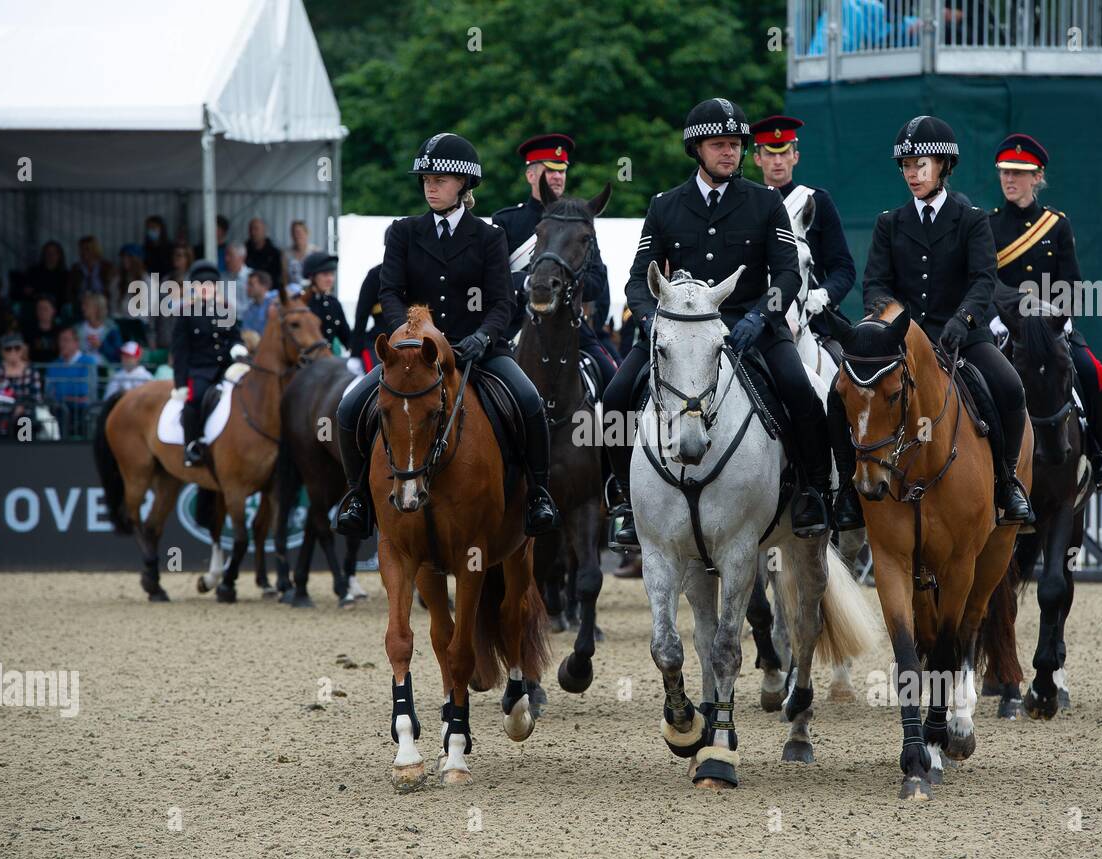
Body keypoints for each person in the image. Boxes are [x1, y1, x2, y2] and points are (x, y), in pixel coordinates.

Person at [604, 96, 831, 551]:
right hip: (678, 330)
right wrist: (652, 322)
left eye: (735, 144)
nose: (729, 152)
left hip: (753, 326)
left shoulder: (765, 203)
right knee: (614, 396)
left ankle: (812, 492)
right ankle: (626, 503)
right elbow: (635, 280)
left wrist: (759, 316)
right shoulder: (665, 205)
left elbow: (787, 273)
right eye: (718, 144)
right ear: (697, 150)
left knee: (800, 390)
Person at [333, 132, 560, 538]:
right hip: (412, 354)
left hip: (476, 351)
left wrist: (484, 337)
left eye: (439, 179)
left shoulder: (490, 237)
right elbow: (390, 292)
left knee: (530, 403)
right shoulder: (402, 233)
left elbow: (501, 302)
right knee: (350, 408)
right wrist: (408, 334)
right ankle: (357, 499)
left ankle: (538, 494)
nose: (431, 186)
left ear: (463, 185)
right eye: (426, 180)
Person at [834, 115, 1034, 529]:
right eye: (907, 166)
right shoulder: (890, 222)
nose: (913, 173)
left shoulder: (971, 219)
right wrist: (893, 324)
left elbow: (983, 279)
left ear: (944, 167)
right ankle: (846, 495)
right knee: (840, 396)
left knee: (1010, 388)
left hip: (962, 334)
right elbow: (876, 285)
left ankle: (1007, 481)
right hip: (903, 339)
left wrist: (963, 319)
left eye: (921, 165)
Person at [988, 132, 1102, 490]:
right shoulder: (988, 225)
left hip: (1051, 325)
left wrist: (1053, 312)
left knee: (1093, 372)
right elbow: (984, 280)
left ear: (1037, 177)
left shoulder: (1056, 224)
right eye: (1005, 172)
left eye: (1018, 173)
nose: (1010, 180)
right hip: (1004, 325)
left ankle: (1100, 453)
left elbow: (1073, 283)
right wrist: (1007, 311)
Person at [490, 133, 617, 388]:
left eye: (562, 171)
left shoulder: (579, 221)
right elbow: (494, 278)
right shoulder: (507, 221)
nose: (558, 177)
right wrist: (530, 283)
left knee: (617, 386)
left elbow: (597, 281)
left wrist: (567, 285)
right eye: (550, 170)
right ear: (530, 175)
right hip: (517, 326)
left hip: (570, 327)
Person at [750, 114, 856, 344]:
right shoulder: (748, 205)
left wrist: (824, 294)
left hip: (814, 320)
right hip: (760, 319)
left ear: (795, 156)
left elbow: (843, 268)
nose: (778, 161)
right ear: (758, 158)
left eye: (784, 153)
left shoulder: (817, 201)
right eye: (770, 153)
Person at [172, 260, 243, 467]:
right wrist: (181, 384)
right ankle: (192, 445)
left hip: (226, 369)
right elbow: (180, 352)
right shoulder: (186, 315)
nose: (205, 289)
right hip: (200, 371)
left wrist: (238, 348)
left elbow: (235, 337)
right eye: (201, 286)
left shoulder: (225, 310)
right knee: (196, 399)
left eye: (210, 285)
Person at [44, 325, 100, 437]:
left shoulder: (88, 362)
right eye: (60, 340)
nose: (62, 344)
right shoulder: (54, 365)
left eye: (66, 340)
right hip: (58, 411)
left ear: (76, 343)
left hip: (82, 411)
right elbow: (49, 393)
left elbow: (85, 391)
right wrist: (70, 394)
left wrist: (62, 393)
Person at [0, 333, 43, 438]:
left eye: (17, 348)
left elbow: (36, 398)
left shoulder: (31, 371)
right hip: (0, 412)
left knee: (24, 421)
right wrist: (10, 408)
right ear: (2, 351)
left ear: (22, 349)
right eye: (8, 349)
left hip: (25, 414)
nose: (13, 352)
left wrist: (21, 407)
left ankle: (25, 452)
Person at [300, 251, 350, 349]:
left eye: (332, 274)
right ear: (311, 277)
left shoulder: (334, 304)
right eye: (325, 274)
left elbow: (347, 338)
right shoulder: (302, 303)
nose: (330, 279)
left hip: (327, 360)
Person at [348, 258, 389, 374]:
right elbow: (361, 317)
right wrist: (355, 354)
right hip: (381, 342)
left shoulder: (419, 270)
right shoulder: (375, 275)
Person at [77, 292, 122, 363]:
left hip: (106, 371)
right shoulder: (78, 328)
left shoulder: (112, 329)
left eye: (87, 305)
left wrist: (101, 346)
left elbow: (118, 355)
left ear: (97, 308)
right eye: (83, 305)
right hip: (82, 370)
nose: (83, 308)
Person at [245, 218, 284, 290]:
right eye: (250, 229)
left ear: (264, 231)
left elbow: (278, 278)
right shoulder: (244, 250)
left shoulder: (274, 253)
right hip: (246, 290)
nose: (253, 232)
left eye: (256, 229)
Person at [285, 220, 318, 288]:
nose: (296, 236)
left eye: (299, 233)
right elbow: (284, 278)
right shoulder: (286, 254)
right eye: (294, 233)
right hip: (293, 292)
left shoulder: (315, 252)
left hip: (311, 290)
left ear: (306, 233)